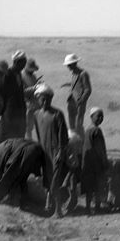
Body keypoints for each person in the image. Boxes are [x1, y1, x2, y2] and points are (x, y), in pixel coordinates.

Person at [0, 139, 50, 210]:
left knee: (13, 179)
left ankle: (20, 202)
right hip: (37, 147)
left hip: (25, 153)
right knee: (22, 177)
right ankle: (30, 200)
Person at [32, 84, 69, 216]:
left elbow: (63, 136)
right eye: (42, 98)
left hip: (56, 153)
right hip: (44, 153)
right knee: (47, 181)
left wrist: (61, 152)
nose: (45, 101)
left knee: (55, 183)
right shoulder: (36, 115)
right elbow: (38, 135)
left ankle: (58, 210)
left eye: (48, 99)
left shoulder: (57, 114)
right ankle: (49, 206)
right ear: (38, 99)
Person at [80, 107, 109, 214]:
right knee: (97, 186)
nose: (100, 118)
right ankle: (97, 208)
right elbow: (100, 149)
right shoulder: (96, 130)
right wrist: (104, 161)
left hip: (87, 163)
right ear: (91, 117)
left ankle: (88, 208)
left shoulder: (87, 130)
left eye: (102, 116)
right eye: (98, 116)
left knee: (89, 188)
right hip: (96, 163)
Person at [0, 51, 28, 140]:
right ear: (16, 62)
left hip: (20, 113)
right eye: (23, 63)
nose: (24, 66)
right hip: (10, 114)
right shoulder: (7, 74)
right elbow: (2, 94)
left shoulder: (19, 73)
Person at [63, 54, 92, 134]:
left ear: (74, 63)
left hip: (79, 103)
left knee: (78, 124)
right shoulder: (74, 73)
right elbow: (77, 84)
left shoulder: (83, 74)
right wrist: (69, 84)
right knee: (71, 124)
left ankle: (81, 141)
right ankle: (73, 140)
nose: (68, 67)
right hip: (71, 101)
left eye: (69, 65)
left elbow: (88, 89)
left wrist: (81, 100)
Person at [21, 58, 42, 138]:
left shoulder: (33, 75)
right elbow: (22, 92)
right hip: (28, 106)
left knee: (38, 126)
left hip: (37, 104)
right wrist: (34, 87)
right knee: (28, 128)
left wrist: (38, 84)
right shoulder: (21, 76)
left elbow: (34, 84)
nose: (33, 71)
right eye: (31, 69)